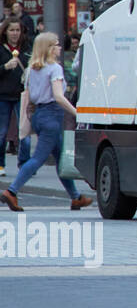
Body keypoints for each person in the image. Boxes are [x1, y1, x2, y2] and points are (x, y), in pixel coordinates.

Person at [0, 33, 90, 212]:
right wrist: (77, 112)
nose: (59, 47)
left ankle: (75, 197)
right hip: (52, 116)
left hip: (39, 114)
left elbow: (31, 95)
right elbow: (58, 96)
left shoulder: (33, 69)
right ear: (48, 48)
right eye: (56, 45)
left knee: (59, 158)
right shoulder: (54, 68)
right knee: (38, 158)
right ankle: (12, 190)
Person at [0, 17, 32, 178]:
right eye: (11, 30)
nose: (14, 33)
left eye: (17, 30)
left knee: (24, 131)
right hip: (3, 95)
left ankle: (25, 164)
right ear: (5, 31)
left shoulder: (26, 47)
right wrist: (5, 67)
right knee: (2, 132)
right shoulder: (1, 48)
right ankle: (0, 164)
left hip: (22, 94)